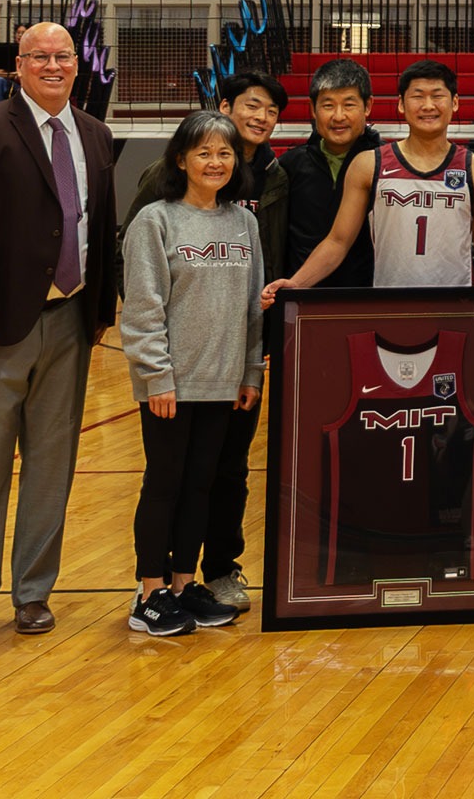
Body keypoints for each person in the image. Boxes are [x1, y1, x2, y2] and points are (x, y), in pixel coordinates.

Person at [0, 22, 117, 642]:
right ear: (19, 64)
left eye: (62, 55)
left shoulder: (95, 133)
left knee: (51, 465)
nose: (54, 65)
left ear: (75, 63)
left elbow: (101, 226)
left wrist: (100, 313)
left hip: (69, 319)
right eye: (40, 56)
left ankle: (34, 592)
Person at [124, 70, 289, 612]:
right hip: (171, 384)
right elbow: (144, 307)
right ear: (181, 160)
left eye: (225, 154)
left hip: (224, 383)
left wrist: (250, 373)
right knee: (165, 484)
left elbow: (249, 311)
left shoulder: (243, 224)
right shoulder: (156, 220)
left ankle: (181, 583)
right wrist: (157, 377)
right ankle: (148, 593)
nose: (216, 162)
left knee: (202, 486)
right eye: (203, 153)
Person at [263, 59, 474, 295]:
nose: (428, 105)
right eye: (417, 96)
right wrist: (295, 283)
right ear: (401, 105)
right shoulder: (369, 164)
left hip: (456, 306)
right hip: (389, 306)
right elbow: (337, 242)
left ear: (454, 103)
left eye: (437, 96)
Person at [279, 58, 381, 289]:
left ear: (367, 106)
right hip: (303, 295)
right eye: (328, 105)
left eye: (349, 104)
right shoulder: (289, 165)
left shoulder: (386, 164)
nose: (338, 116)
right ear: (312, 108)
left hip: (368, 297)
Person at [0, 23, 30, 103]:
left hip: (29, 85)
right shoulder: (9, 50)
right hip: (13, 84)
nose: (20, 35)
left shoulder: (34, 51)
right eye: (18, 33)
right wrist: (14, 74)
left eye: (23, 33)